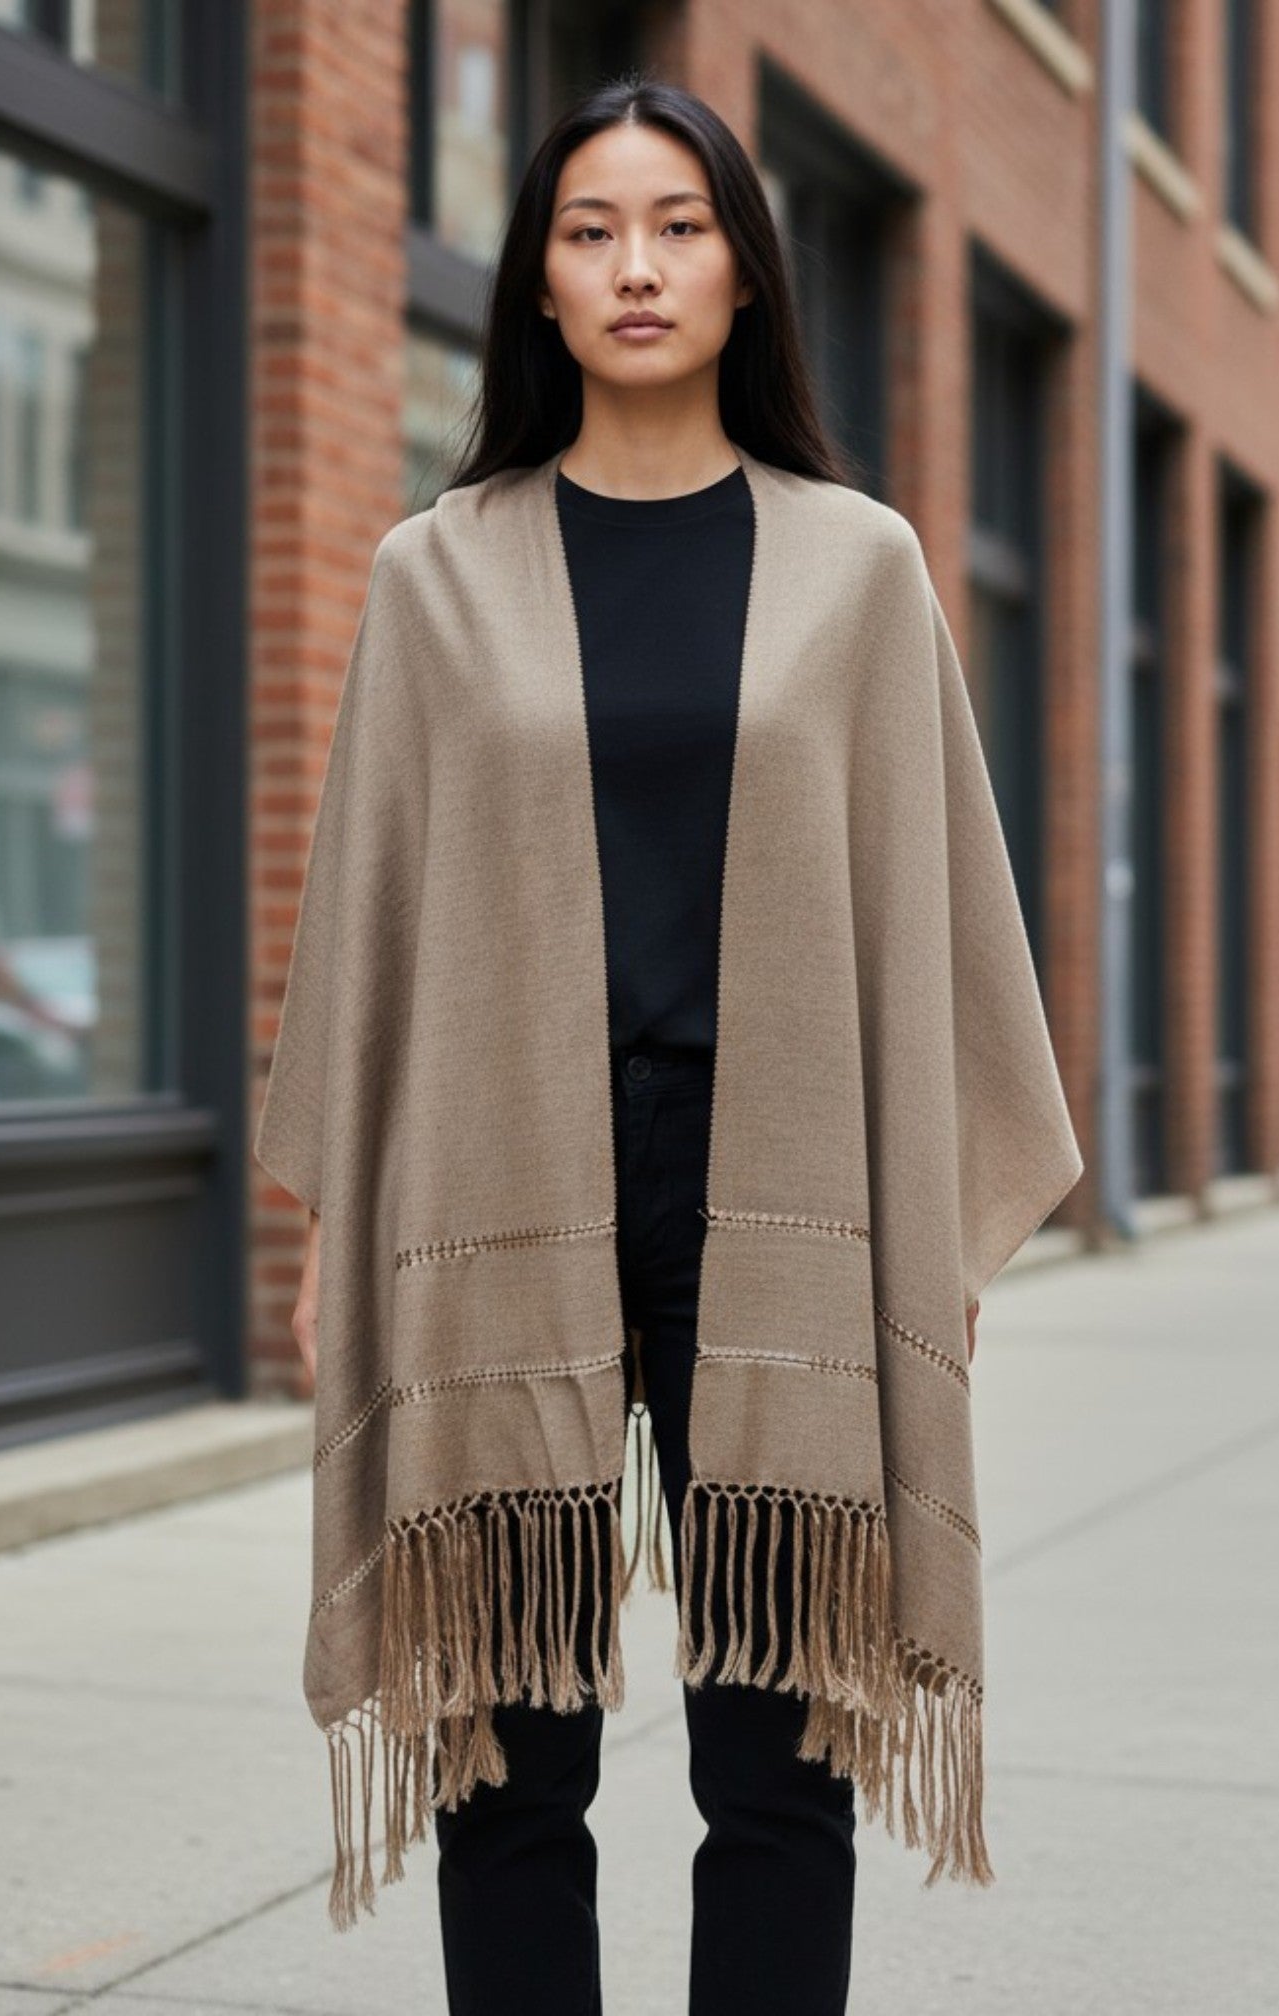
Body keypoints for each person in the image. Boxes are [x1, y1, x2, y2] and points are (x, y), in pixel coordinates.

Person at [261, 70, 1075, 2016]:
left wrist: (932, 1238)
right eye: (591, 230)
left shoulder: (857, 568)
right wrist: (336, 1234)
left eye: (679, 226)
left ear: (743, 273)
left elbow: (936, 918)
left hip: (774, 1189)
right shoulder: (435, 573)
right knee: (504, 1755)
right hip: (502, 1189)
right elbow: (373, 933)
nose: (636, 265)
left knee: (778, 1763)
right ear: (539, 283)